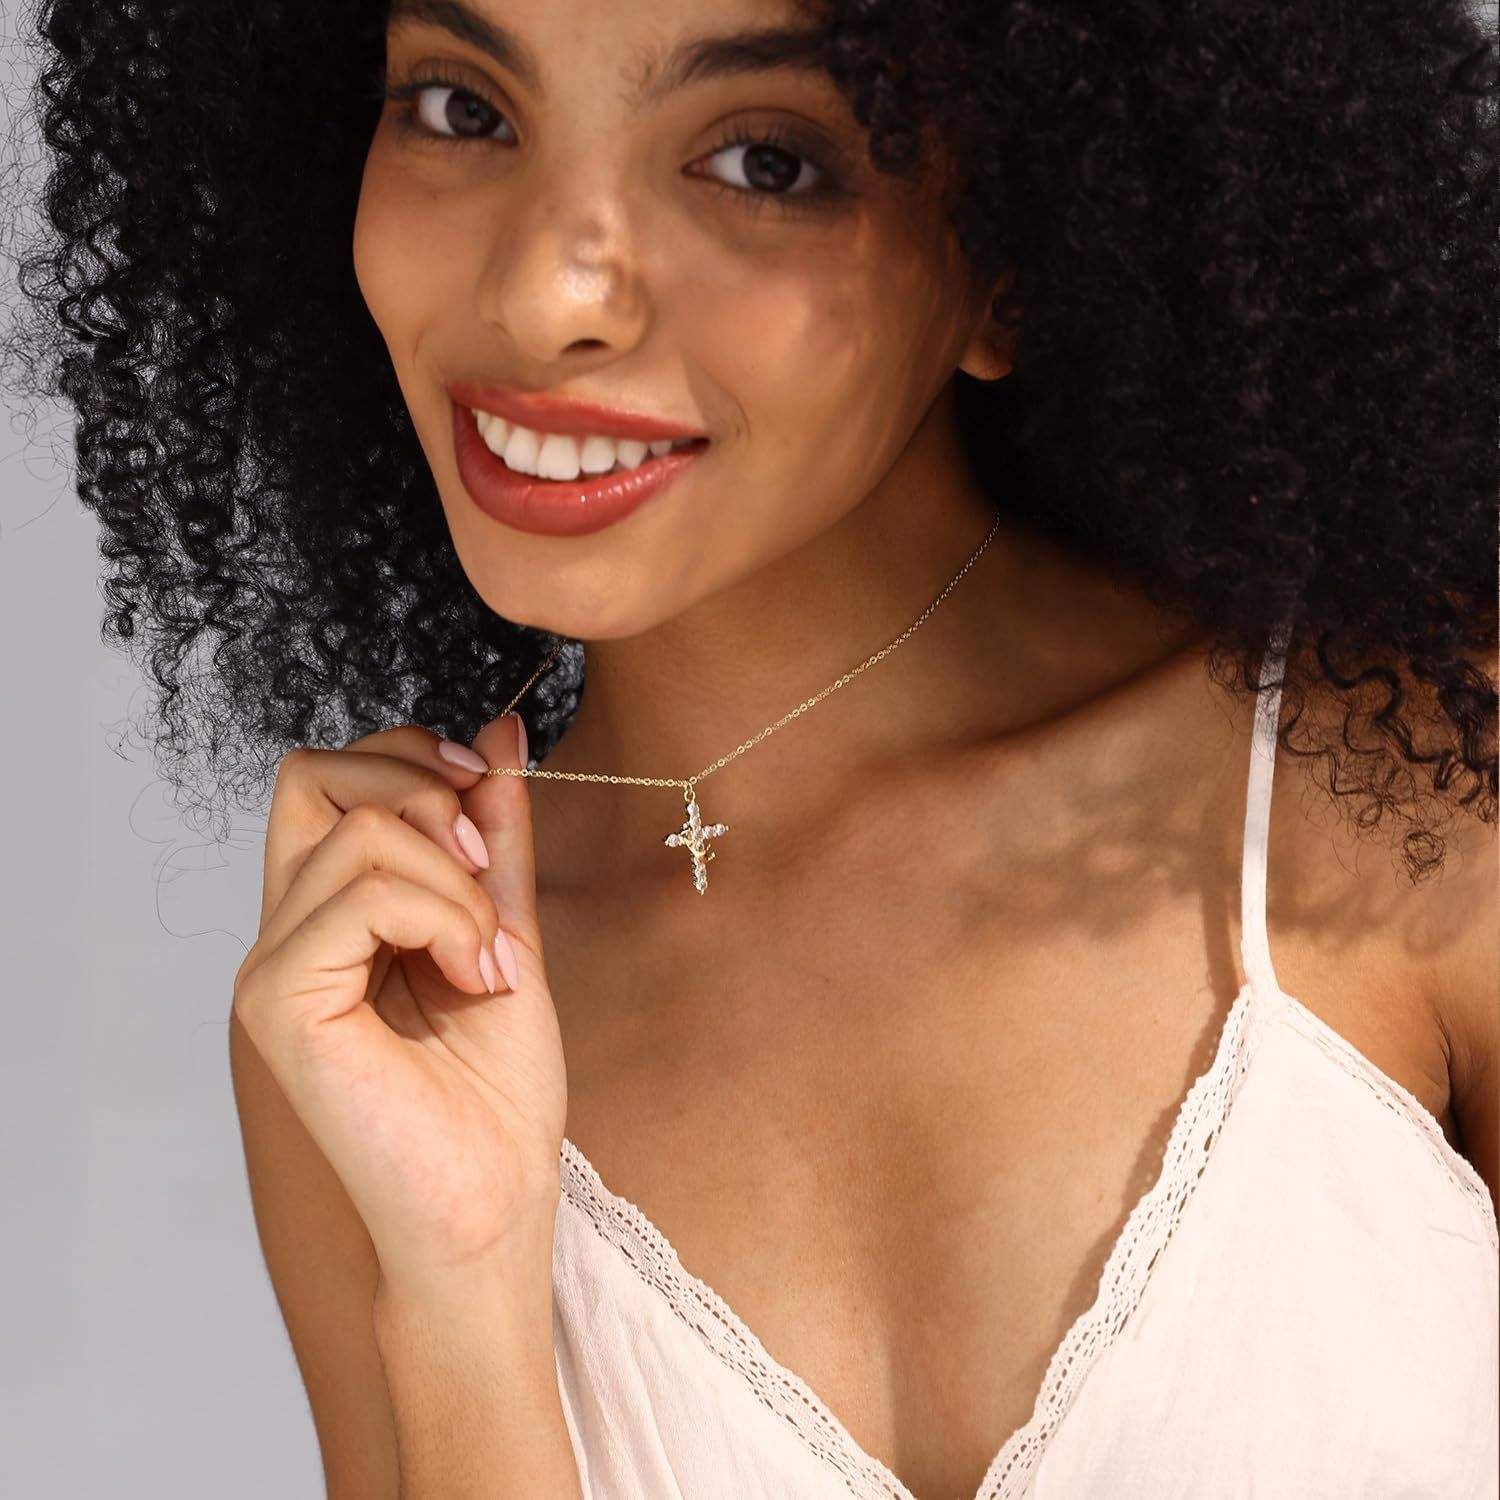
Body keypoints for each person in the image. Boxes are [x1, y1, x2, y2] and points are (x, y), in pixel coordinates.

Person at [4, 0, 1496, 1495]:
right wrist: (464, 1303)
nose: (543, 295)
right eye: (464, 110)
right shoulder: (388, 1007)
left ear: (1019, 251)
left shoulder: (1409, 789)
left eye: (762, 161)